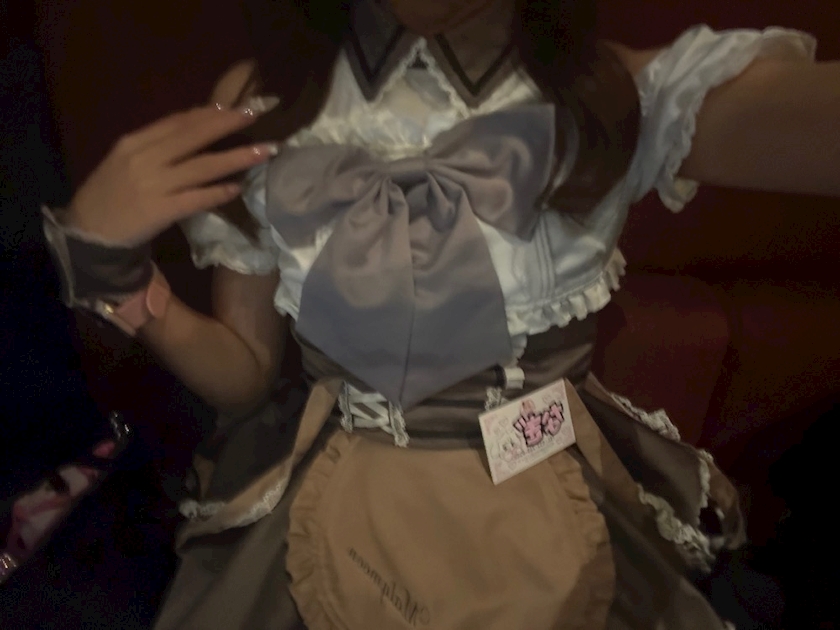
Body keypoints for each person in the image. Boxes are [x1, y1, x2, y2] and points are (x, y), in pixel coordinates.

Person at [41, 0, 836, 627]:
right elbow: (244, 373)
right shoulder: (263, 99)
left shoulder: (613, 95)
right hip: (339, 469)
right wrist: (116, 274)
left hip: (542, 460)